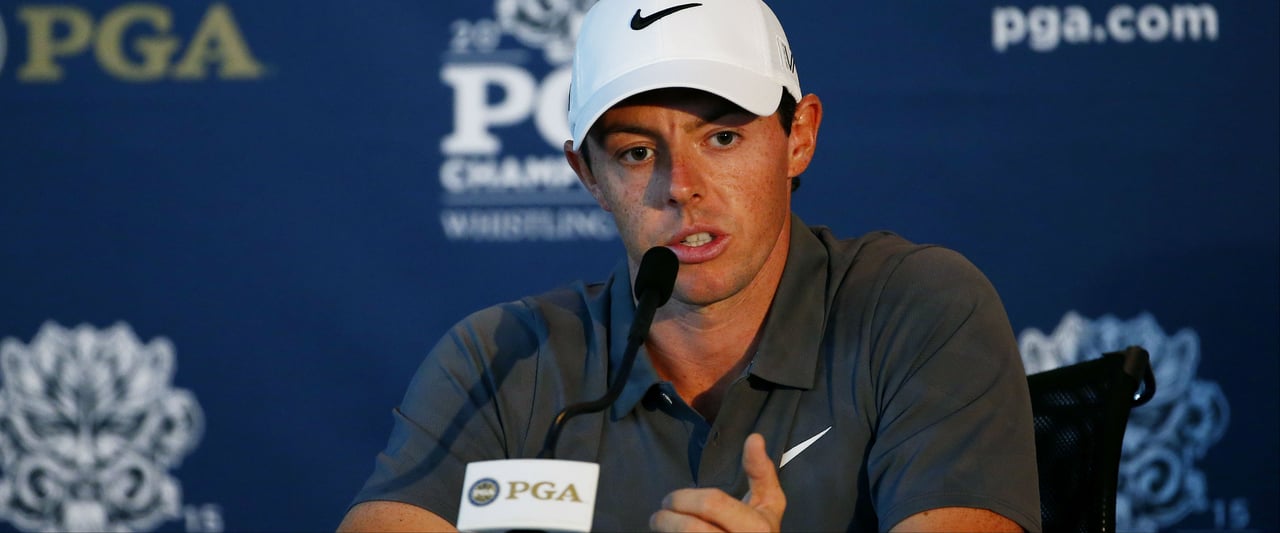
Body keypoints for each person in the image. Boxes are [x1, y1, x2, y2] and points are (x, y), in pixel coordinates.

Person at [339, 0, 1041, 531]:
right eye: (636, 152)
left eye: (724, 136)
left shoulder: (919, 309)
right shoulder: (500, 360)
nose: (681, 184)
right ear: (589, 174)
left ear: (799, 138)